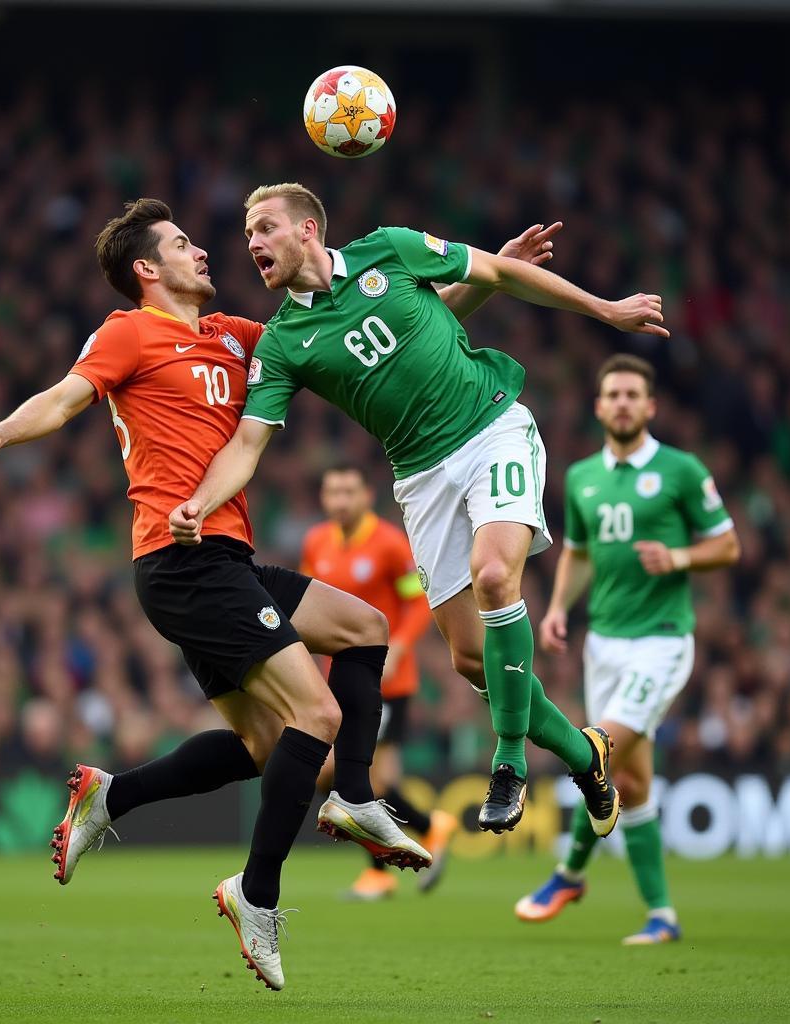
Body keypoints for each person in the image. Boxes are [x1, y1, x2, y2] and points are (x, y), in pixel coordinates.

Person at [0, 198, 434, 992]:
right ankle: (263, 889)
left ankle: (114, 796)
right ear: (148, 270)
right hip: (182, 560)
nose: (204, 252)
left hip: (227, 558)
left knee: (353, 638)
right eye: (183, 244)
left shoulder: (239, 335)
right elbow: (67, 398)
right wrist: (4, 431)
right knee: (315, 716)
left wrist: (489, 280)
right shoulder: (126, 331)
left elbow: (365, 330)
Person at [170, 182, 669, 839]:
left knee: (495, 577)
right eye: (248, 235)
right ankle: (586, 754)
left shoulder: (391, 250)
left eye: (265, 228)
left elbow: (494, 271)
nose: (253, 244)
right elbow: (249, 441)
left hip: (492, 428)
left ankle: (510, 762)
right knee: (469, 658)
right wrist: (201, 501)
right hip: (421, 478)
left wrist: (605, 311)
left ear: (307, 230)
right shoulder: (283, 343)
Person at [514, 353, 740, 944]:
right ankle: (662, 915)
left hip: (661, 641)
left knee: (598, 748)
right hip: (605, 644)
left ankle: (568, 873)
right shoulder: (585, 477)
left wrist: (681, 557)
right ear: (598, 407)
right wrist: (560, 607)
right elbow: (580, 552)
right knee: (632, 784)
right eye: (611, 394)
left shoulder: (681, 470)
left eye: (631, 394)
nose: (620, 403)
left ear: (649, 406)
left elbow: (728, 545)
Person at [302, 463, 457, 900]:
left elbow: (416, 602)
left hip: (387, 681)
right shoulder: (316, 543)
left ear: (367, 495)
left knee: (353, 775)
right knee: (350, 777)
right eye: (333, 492)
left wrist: (400, 647)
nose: (341, 500)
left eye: (349, 491)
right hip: (337, 675)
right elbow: (310, 603)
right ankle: (427, 828)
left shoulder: (389, 543)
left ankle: (382, 868)